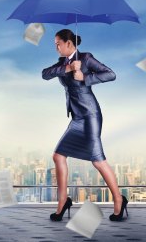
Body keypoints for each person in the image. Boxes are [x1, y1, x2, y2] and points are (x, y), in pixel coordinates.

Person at [42, 29, 128, 222]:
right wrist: (69, 69)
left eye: (58, 43)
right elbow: (45, 74)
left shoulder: (86, 58)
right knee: (58, 156)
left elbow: (110, 74)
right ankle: (63, 202)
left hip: (90, 115)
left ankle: (118, 199)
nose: (56, 47)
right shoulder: (62, 64)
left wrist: (85, 78)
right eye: (55, 44)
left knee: (97, 160)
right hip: (76, 117)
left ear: (69, 44)